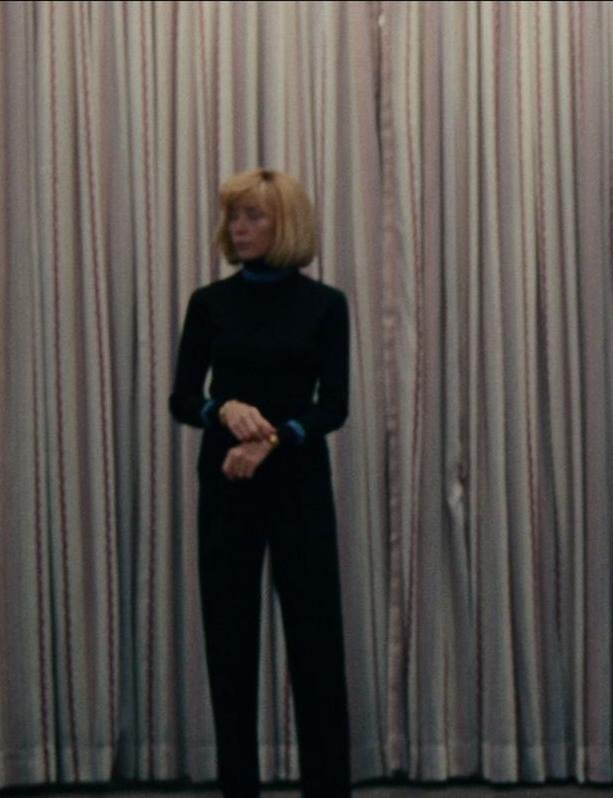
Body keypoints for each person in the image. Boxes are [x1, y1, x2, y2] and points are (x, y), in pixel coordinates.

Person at [168, 168, 353, 798]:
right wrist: (221, 410)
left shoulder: (326, 305)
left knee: (316, 644)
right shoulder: (208, 304)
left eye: (254, 216)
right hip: (228, 487)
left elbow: (334, 406)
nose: (239, 228)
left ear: (286, 223)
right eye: (234, 216)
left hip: (299, 487)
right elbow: (182, 397)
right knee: (229, 644)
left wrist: (271, 439)